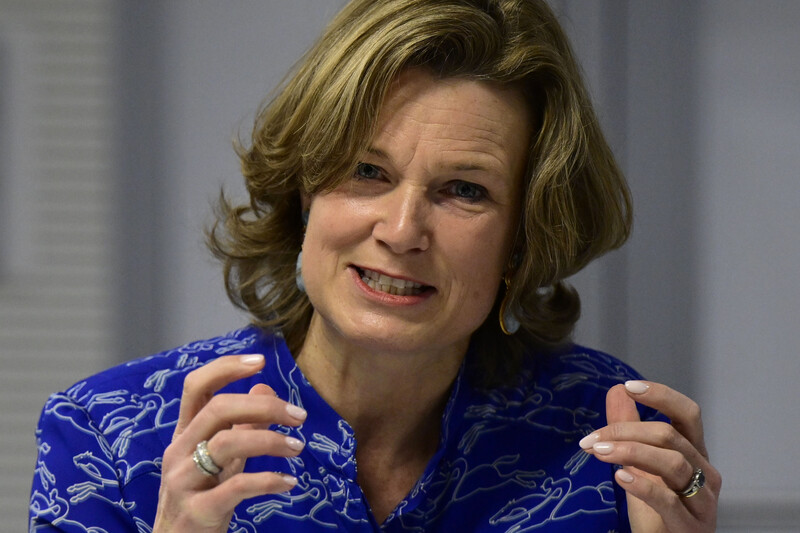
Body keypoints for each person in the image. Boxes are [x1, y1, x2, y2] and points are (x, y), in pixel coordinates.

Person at [29, 0, 720, 531]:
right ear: (305, 193)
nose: (400, 230)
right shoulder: (107, 436)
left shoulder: (606, 439)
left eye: (465, 190)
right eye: (367, 171)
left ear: (523, 236)